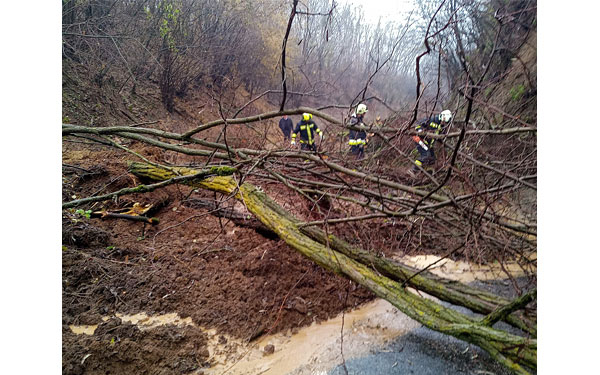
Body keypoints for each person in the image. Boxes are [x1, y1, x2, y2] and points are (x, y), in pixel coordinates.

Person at [408, 109, 453, 177]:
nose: (445, 123)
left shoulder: (442, 127)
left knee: (432, 159)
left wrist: (444, 141)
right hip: (419, 139)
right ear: (443, 117)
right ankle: (413, 170)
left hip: (428, 143)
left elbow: (440, 137)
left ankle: (426, 171)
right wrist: (420, 130)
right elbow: (418, 124)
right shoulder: (432, 120)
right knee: (426, 155)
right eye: (445, 121)